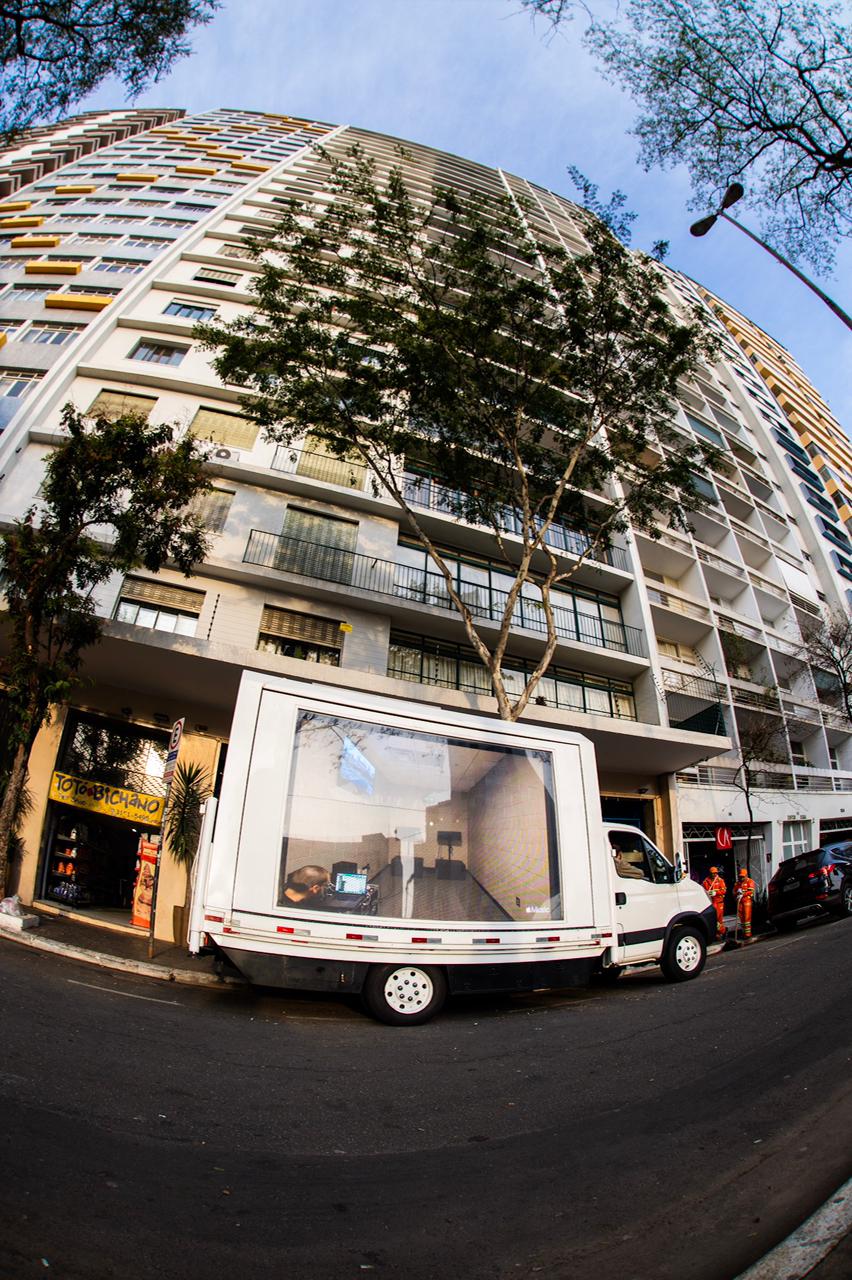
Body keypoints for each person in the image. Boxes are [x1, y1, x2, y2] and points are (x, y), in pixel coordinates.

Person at [702, 865, 727, 939]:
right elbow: (703, 891)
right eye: (713, 873)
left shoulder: (720, 881)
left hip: (719, 902)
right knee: (714, 920)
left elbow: (724, 891)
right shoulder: (706, 881)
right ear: (710, 873)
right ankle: (723, 931)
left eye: (715, 873)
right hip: (711, 903)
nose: (714, 874)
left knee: (719, 920)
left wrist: (716, 893)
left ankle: (719, 934)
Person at [735, 867, 756, 940]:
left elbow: (751, 891)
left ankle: (748, 934)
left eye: (743, 876)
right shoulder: (738, 883)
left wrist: (743, 894)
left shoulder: (750, 881)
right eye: (740, 876)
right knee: (742, 918)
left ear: (746, 875)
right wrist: (737, 894)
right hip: (740, 902)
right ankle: (744, 933)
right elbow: (734, 892)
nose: (741, 878)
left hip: (747, 902)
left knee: (747, 918)